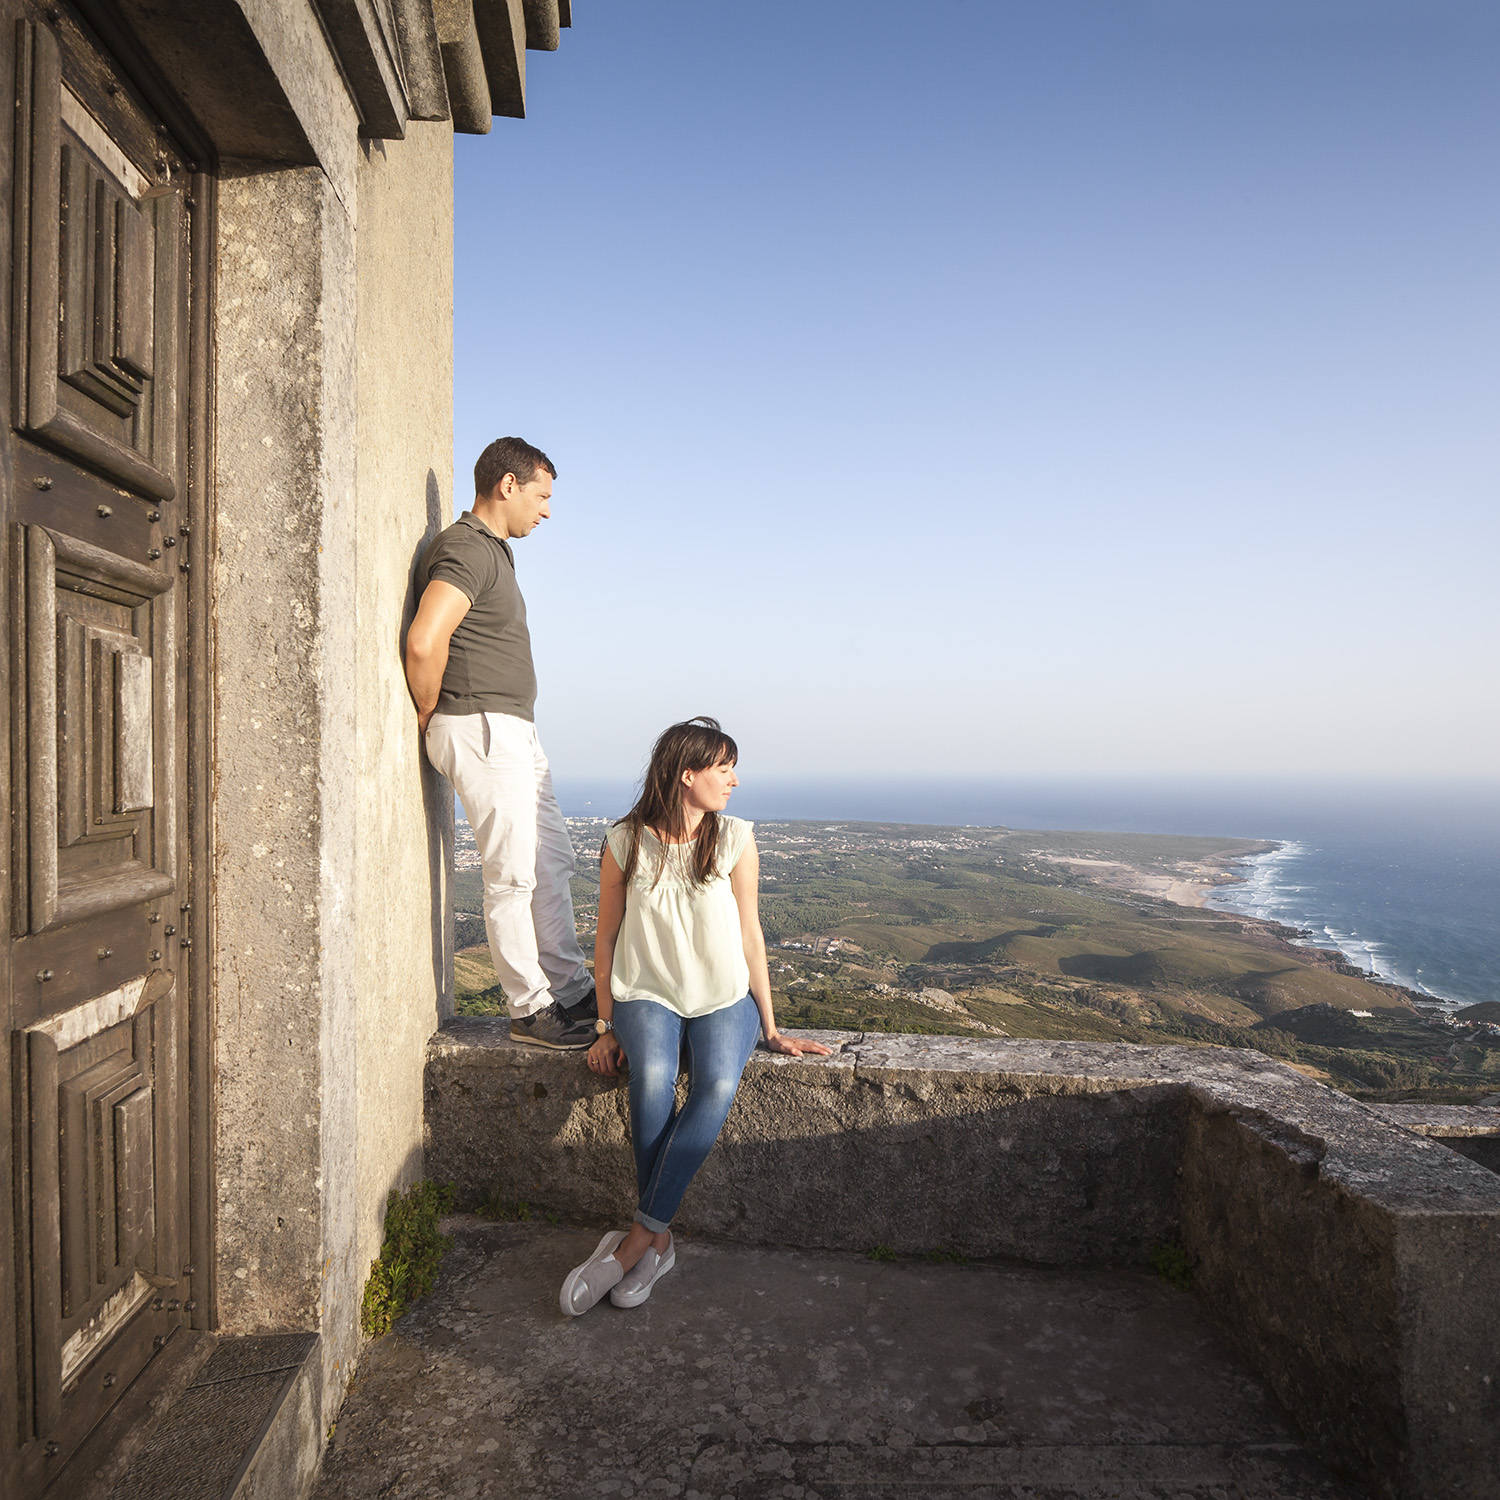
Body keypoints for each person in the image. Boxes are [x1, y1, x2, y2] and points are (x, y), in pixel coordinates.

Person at [559, 717, 832, 1316]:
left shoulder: (734, 838)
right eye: (723, 767)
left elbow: (750, 934)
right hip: (646, 994)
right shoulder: (624, 840)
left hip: (723, 996)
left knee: (715, 1085)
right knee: (653, 1076)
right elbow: (603, 941)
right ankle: (657, 1242)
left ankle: (637, 1241)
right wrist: (606, 1027)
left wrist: (772, 1026)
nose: (734, 779)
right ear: (687, 775)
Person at [406, 437, 596, 1050]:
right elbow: (424, 640)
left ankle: (569, 990)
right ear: (508, 485)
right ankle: (528, 1009)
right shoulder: (467, 548)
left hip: (510, 729)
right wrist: (433, 709)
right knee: (512, 874)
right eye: (542, 496)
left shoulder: (492, 552)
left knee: (550, 864)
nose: (546, 511)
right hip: (481, 726)